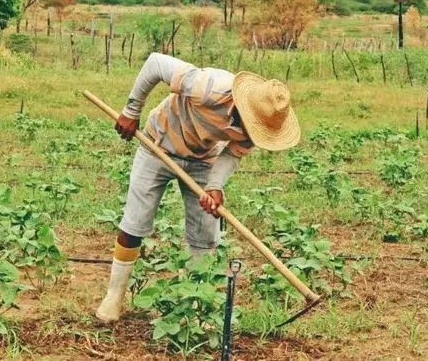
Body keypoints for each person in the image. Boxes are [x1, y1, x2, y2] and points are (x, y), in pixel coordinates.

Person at [96, 52, 300, 323]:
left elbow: (232, 155)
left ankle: (193, 305)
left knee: (205, 233)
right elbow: (155, 63)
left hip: (203, 158)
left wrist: (215, 186)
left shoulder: (260, 128)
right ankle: (115, 295)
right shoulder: (208, 87)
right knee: (136, 221)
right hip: (158, 144)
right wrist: (132, 111)